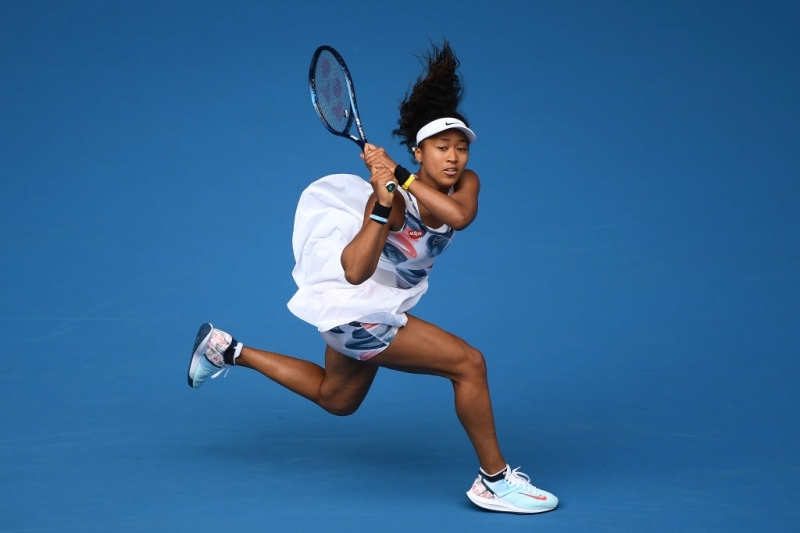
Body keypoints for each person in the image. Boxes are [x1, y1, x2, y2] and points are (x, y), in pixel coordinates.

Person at [186, 41, 558, 514]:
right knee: (469, 364)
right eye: (441, 148)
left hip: (376, 307)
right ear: (419, 151)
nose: (453, 158)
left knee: (337, 398)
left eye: (461, 148)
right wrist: (383, 202)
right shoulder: (394, 199)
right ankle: (494, 481)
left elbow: (460, 217)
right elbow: (354, 270)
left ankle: (226, 349)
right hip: (357, 312)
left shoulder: (465, 184)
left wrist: (402, 174)